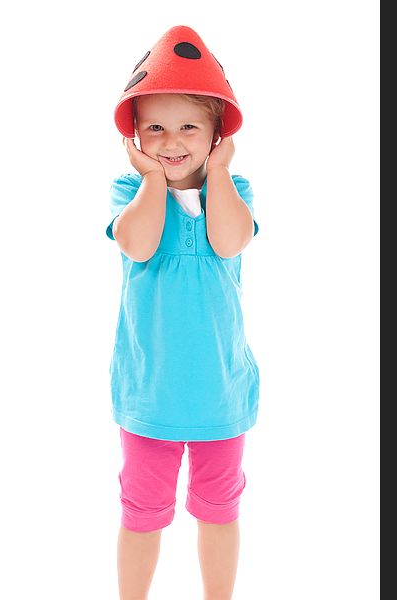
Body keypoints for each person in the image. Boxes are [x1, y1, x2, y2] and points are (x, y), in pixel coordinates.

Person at [106, 26, 260, 600]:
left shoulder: (234, 188)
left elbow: (230, 239)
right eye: (155, 128)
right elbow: (138, 244)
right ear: (136, 137)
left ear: (217, 134)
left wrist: (218, 174)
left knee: (219, 510)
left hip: (221, 393)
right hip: (149, 398)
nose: (171, 141)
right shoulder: (130, 191)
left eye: (189, 126)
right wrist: (151, 180)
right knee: (141, 513)